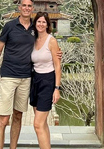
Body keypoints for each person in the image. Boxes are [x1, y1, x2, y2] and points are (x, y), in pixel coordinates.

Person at [0, 0, 36, 149]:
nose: (26, 8)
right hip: (8, 76)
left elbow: (46, 45)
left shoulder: (36, 27)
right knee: (3, 118)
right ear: (19, 7)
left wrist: (57, 53)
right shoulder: (9, 26)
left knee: (18, 116)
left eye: (29, 6)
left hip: (26, 77)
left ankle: (13, 148)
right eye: (24, 5)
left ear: (32, 8)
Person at [30, 11, 62, 149]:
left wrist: (57, 88)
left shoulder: (52, 41)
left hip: (48, 81)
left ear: (48, 24)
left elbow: (57, 65)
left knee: (37, 124)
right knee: (42, 124)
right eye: (39, 21)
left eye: (44, 22)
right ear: (35, 23)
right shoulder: (32, 40)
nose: (41, 24)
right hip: (35, 80)